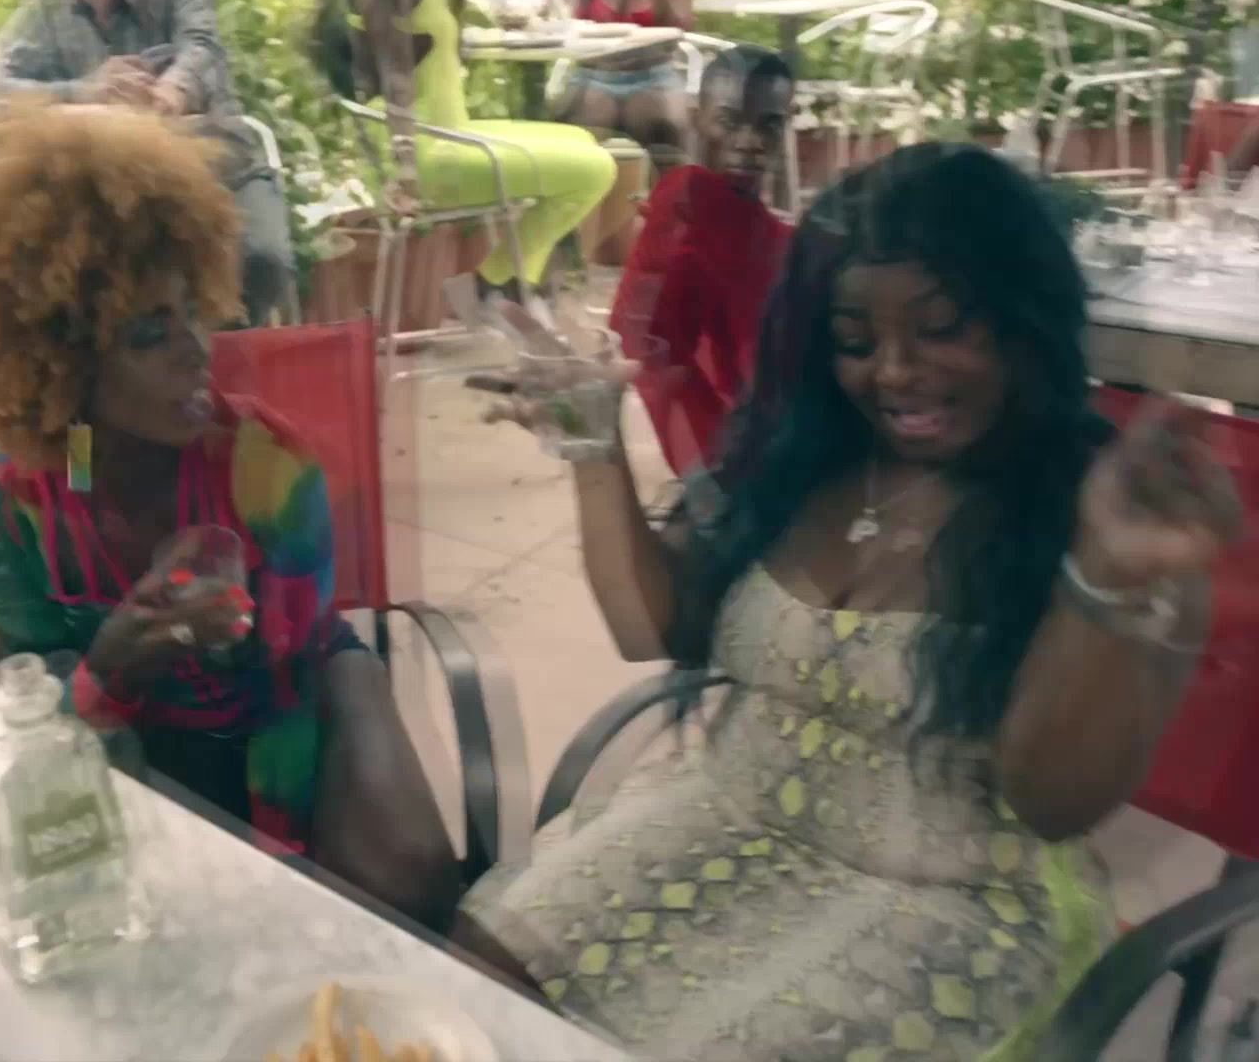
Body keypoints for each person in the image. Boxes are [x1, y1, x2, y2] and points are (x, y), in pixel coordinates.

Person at [455, 143, 1242, 1060]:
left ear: (1022, 322)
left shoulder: (1104, 515)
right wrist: (593, 447)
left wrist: (1102, 580)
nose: (893, 373)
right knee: (478, 977)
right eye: (856, 341)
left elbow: (1053, 805)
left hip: (947, 893)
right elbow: (650, 629)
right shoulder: (802, 458)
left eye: (941, 330)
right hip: (726, 811)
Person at [0, 105, 461, 927]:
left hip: (294, 687)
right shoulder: (8, 501)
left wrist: (230, 648)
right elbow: (38, 672)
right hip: (131, 715)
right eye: (150, 334)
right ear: (62, 363)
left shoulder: (266, 468)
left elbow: (292, 669)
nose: (198, 349)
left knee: (407, 881)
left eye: (193, 309)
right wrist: (112, 663)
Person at [0, 0, 296, 327]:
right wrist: (85, 90)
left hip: (220, 169)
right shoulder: (47, 7)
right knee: (85, 276)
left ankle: (221, 342)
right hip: (115, 194)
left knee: (264, 258)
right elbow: (4, 89)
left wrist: (172, 91)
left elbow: (202, 48)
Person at [311, 0, 618, 319]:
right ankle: (495, 282)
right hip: (431, 151)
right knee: (597, 168)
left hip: (447, 131)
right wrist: (407, 167)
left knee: (580, 139)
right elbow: (397, 84)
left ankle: (515, 281)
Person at [610, 45, 793, 478]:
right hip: (738, 458)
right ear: (697, 118)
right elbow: (646, 344)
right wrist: (711, 472)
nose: (749, 142)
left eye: (768, 125)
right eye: (729, 121)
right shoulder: (686, 204)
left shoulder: (781, 241)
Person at [556, 0, 693, 169]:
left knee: (668, 128)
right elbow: (574, 26)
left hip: (654, 73)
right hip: (596, 72)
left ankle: (664, 186)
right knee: (585, 126)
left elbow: (680, 27)